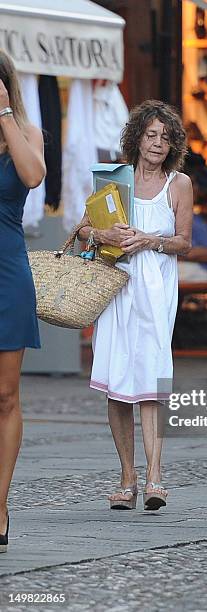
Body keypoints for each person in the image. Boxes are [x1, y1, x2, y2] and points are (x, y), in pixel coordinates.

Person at [78, 100, 193, 511]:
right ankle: (127, 477)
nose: (158, 143)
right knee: (117, 381)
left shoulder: (178, 184)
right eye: (151, 135)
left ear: (173, 143)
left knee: (153, 379)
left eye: (165, 137)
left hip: (156, 289)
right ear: (136, 138)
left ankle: (155, 477)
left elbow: (184, 241)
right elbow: (83, 230)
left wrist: (149, 240)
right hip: (117, 287)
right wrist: (105, 234)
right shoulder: (115, 179)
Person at [0, 50, 46, 552]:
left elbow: (33, 177)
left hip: (6, 271)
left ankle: (0, 506)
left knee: (6, 395)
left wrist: (4, 115)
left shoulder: (26, 134)